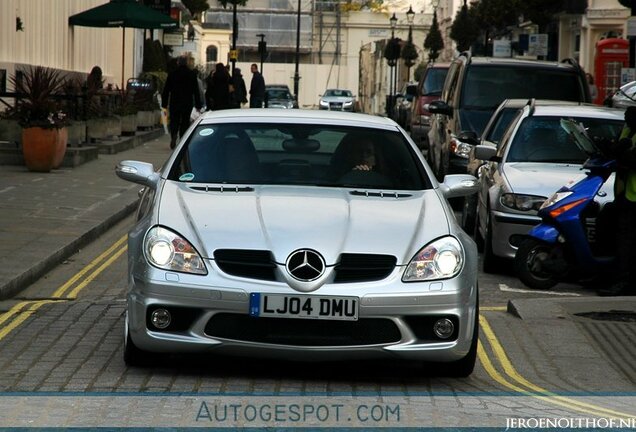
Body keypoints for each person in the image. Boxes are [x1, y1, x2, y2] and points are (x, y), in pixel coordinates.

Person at [599, 106, 636, 296]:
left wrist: (621, 152)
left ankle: (626, 283)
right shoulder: (629, 127)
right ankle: (606, 274)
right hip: (624, 194)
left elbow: (630, 158)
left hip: (634, 197)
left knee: (628, 242)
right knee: (609, 227)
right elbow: (616, 147)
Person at [162, 56, 203, 149]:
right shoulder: (191, 74)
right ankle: (182, 139)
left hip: (175, 101)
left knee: (174, 120)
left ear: (178, 63)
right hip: (187, 102)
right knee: (185, 121)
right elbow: (196, 91)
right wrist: (198, 104)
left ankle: (173, 135)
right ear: (187, 63)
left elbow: (166, 89)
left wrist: (164, 103)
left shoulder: (172, 74)